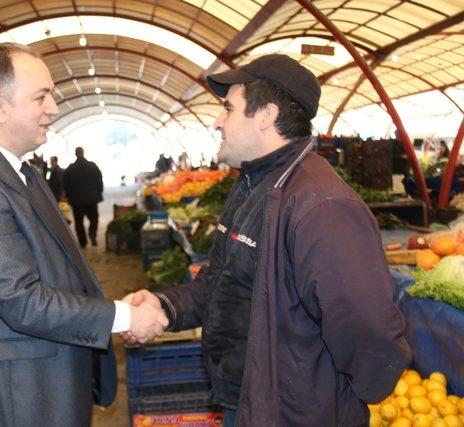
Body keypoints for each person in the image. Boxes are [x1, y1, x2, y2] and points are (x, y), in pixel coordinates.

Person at [123, 54, 411, 426]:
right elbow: (223, 282)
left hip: (293, 416)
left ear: (266, 116)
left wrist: (331, 399)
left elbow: (368, 328)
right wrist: (165, 306)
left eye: (228, 109)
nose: (217, 121)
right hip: (248, 403)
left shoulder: (321, 206)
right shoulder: (252, 185)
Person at [0, 43, 167, 427]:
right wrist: (121, 317)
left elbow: (60, 270)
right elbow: (20, 299)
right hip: (13, 396)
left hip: (47, 383)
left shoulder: (25, 173)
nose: (53, 108)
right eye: (41, 97)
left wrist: (115, 308)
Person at [63, 147, 103, 248]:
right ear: (83, 153)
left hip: (76, 201)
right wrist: (98, 191)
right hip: (91, 199)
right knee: (94, 218)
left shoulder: (70, 168)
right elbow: (99, 179)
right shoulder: (92, 166)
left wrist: (68, 196)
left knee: (79, 222)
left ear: (75, 154)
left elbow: (65, 184)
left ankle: (83, 242)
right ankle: (92, 234)